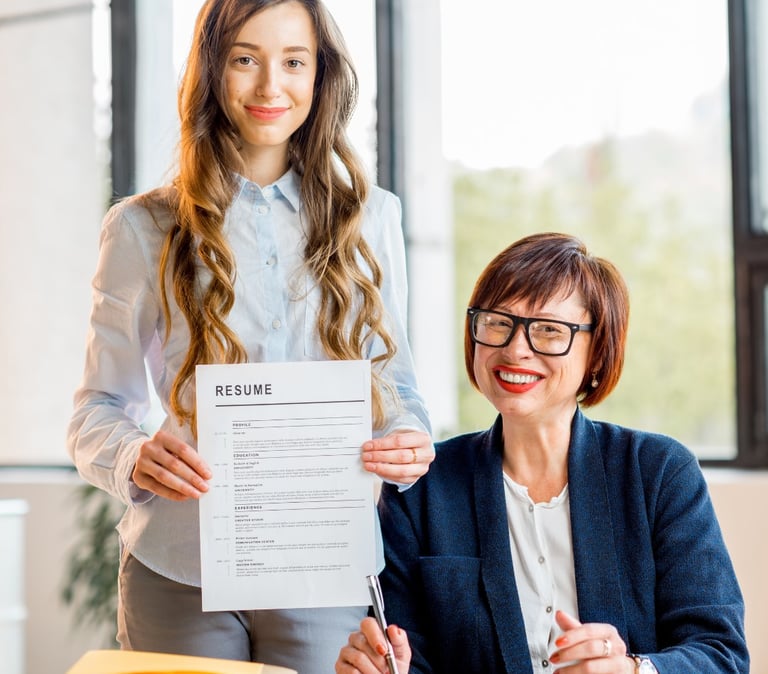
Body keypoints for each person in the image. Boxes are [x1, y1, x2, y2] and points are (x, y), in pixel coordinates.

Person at [66, 1, 434, 672]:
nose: (271, 87)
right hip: (179, 570)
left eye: (294, 62)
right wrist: (134, 457)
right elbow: (94, 413)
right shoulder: (142, 228)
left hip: (323, 563)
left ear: (321, 77)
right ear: (211, 71)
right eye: (245, 59)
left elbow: (397, 389)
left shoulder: (373, 219)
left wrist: (409, 442)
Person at [336, 232, 749, 674]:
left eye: (550, 331)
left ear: (596, 351)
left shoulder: (659, 472)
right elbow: (411, 658)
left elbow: (720, 653)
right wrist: (385, 669)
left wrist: (633, 669)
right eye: (497, 322)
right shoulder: (420, 489)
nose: (515, 349)